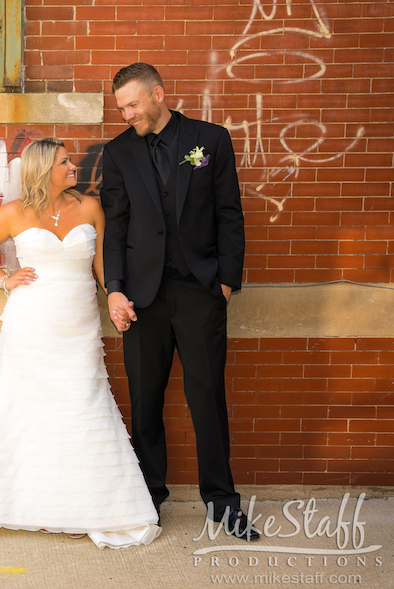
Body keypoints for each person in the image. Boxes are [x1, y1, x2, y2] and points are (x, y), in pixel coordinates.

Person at [0, 138, 161, 549]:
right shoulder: (14, 213)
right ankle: (34, 507)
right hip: (30, 328)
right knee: (33, 414)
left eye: (71, 160)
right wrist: (4, 279)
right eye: (64, 162)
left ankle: (86, 505)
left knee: (82, 408)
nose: (74, 167)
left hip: (78, 327)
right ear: (43, 170)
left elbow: (103, 262)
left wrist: (115, 295)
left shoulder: (89, 207)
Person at [99, 63, 258, 540]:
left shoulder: (209, 140)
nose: (126, 115)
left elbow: (230, 213)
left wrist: (226, 280)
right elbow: (116, 228)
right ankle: (149, 497)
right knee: (145, 399)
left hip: (199, 290)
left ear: (158, 95)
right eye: (120, 108)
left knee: (206, 395)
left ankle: (221, 501)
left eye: (132, 105)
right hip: (142, 299)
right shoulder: (118, 152)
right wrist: (115, 289)